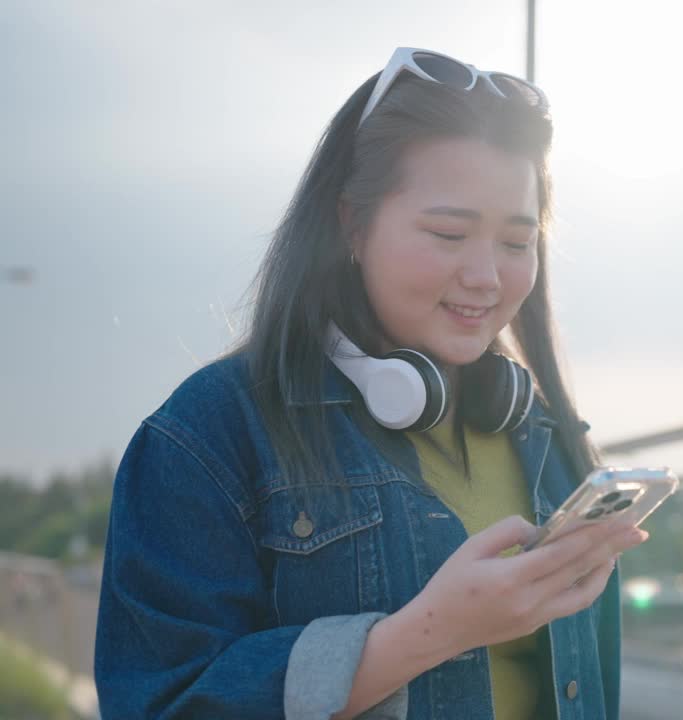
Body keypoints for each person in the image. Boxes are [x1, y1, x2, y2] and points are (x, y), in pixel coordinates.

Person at [94, 47, 647, 720]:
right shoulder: (208, 436)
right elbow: (160, 704)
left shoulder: (544, 432)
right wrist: (432, 631)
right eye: (449, 233)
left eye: (515, 242)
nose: (486, 277)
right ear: (351, 224)